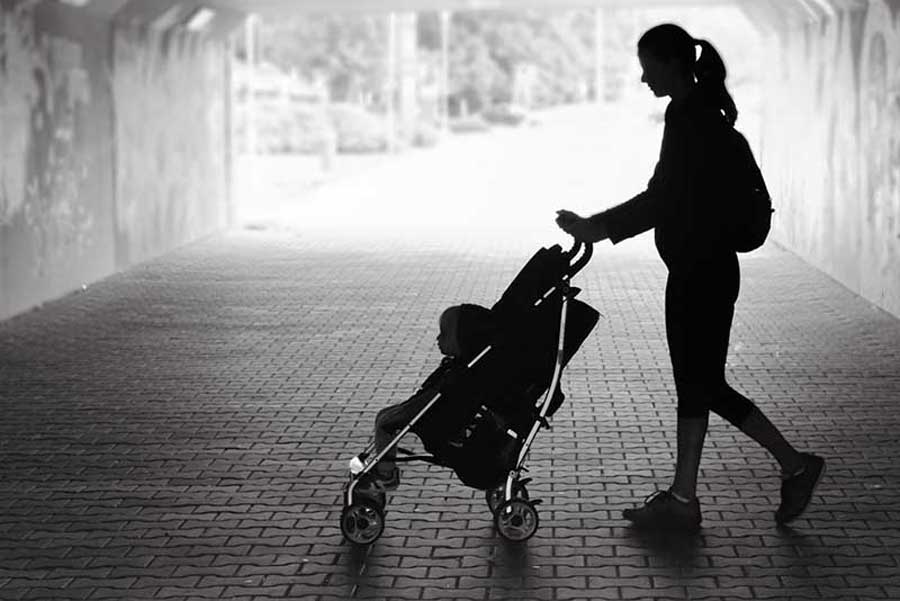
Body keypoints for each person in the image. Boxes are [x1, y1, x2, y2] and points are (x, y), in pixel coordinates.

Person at [555, 23, 824, 532]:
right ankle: (695, 493)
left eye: (648, 66)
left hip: (701, 272)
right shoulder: (697, 112)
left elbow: (664, 197)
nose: (641, 78)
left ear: (672, 64)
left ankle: (783, 467)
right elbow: (672, 193)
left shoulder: (688, 116)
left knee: (700, 384)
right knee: (700, 385)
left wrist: (600, 227)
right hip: (708, 269)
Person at [361, 303, 494, 491]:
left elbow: (430, 399)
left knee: (385, 423)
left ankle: (386, 475)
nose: (438, 339)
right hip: (441, 412)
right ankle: (385, 469)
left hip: (434, 415)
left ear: (462, 339)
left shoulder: (459, 373)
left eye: (444, 334)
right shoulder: (463, 368)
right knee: (385, 416)